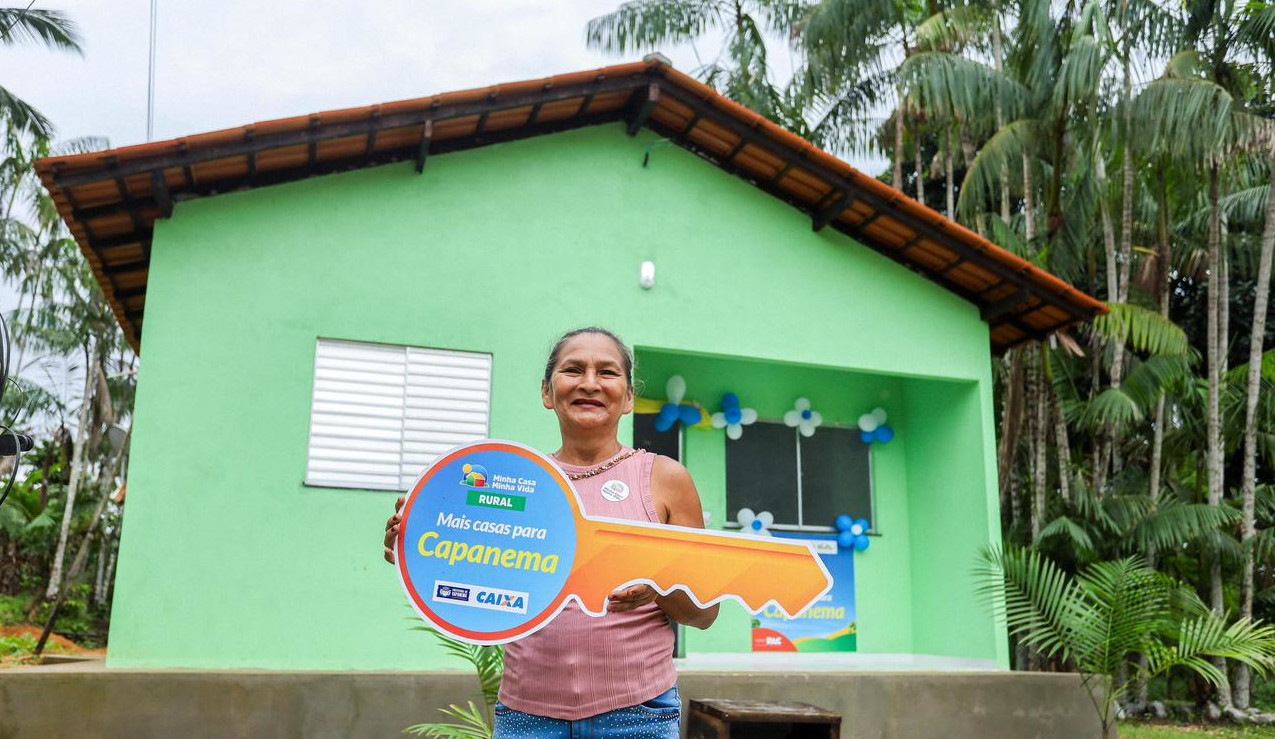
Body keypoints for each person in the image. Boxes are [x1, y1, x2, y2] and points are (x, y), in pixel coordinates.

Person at [383, 327, 718, 738]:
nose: (590, 383)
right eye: (573, 370)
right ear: (548, 392)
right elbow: (480, 577)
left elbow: (704, 613)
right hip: (527, 718)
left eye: (607, 372)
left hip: (638, 715)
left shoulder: (664, 479)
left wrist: (658, 582)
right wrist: (418, 548)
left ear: (629, 396)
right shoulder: (515, 481)